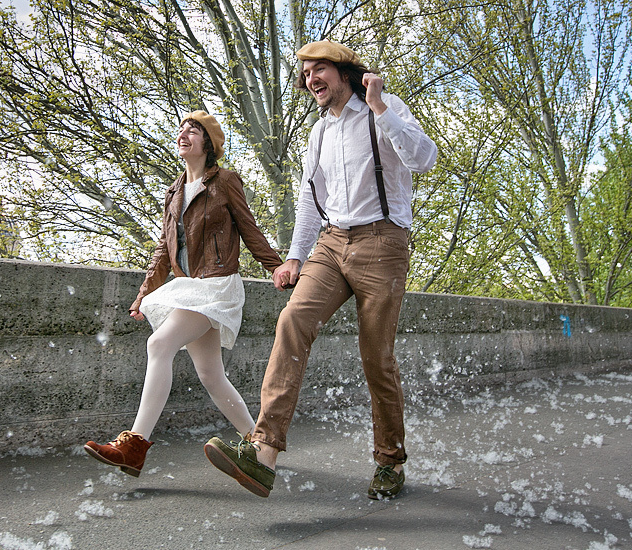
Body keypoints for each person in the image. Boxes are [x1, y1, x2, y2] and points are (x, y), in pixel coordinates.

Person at [203, 41, 437, 499]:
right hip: (332, 243)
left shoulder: (383, 110)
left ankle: (390, 461)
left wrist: (381, 107)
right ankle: (264, 452)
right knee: (293, 320)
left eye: (320, 69)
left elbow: (423, 159)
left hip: (382, 242)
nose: (311, 78)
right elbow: (311, 201)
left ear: (345, 72)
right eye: (307, 72)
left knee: (377, 357)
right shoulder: (319, 133)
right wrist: (294, 255)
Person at [84, 111, 283, 477]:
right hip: (187, 288)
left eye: (193, 131)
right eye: (181, 130)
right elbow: (164, 247)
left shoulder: (225, 182)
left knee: (160, 345)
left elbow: (249, 230)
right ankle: (258, 444)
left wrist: (277, 267)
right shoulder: (174, 190)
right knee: (211, 375)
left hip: (217, 286)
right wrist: (145, 292)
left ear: (208, 143)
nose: (183, 134)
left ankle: (135, 445)